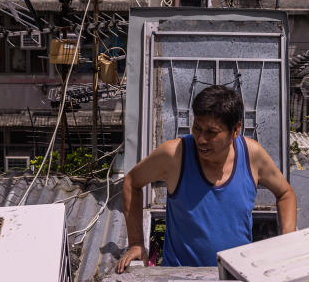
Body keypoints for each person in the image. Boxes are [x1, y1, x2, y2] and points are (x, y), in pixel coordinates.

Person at [116, 85, 297, 272]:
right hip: (179, 276)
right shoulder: (175, 155)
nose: (201, 139)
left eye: (211, 132)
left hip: (235, 274)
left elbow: (285, 194)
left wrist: (288, 245)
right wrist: (136, 243)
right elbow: (131, 181)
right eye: (197, 128)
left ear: (235, 130)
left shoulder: (252, 155)